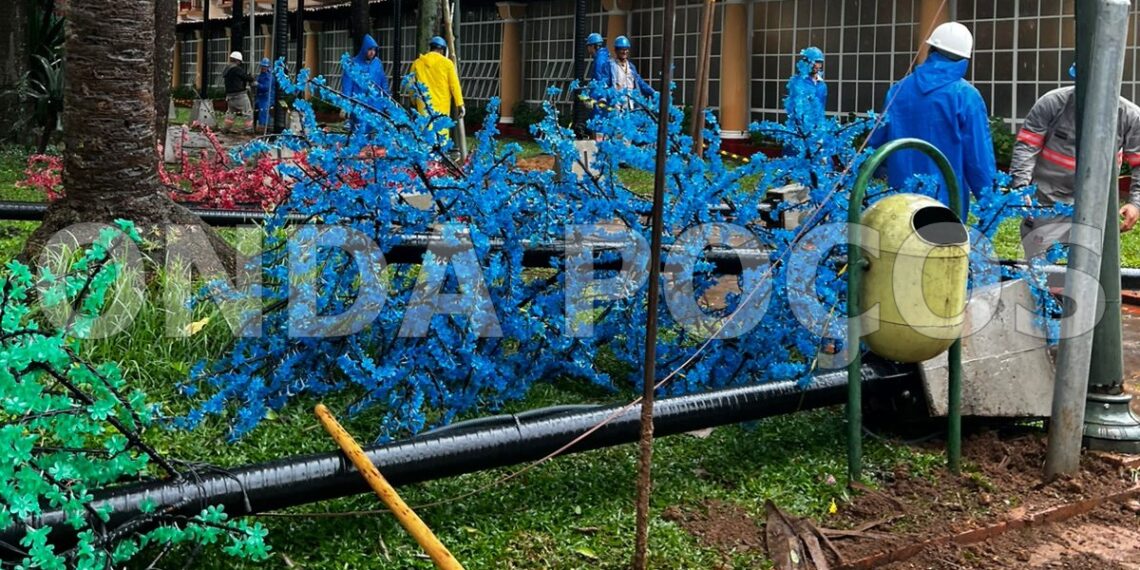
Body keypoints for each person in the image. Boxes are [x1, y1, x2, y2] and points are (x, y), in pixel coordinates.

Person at [1011, 62, 1140, 260]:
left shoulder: (1129, 116)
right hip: (1047, 201)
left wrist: (1135, 204)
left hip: (1095, 206)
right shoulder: (1052, 103)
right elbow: (1027, 146)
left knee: (1091, 270)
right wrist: (1020, 187)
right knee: (1039, 269)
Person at [867, 22, 996, 210]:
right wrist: (989, 200)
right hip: (946, 202)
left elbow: (876, 146)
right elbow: (978, 157)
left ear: (931, 49)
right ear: (964, 58)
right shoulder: (966, 96)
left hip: (900, 200)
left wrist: (881, 173)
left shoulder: (898, 90)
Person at [409, 36, 465, 139]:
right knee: (441, 132)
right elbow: (454, 85)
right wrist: (460, 104)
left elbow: (410, 84)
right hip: (442, 104)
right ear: (442, 50)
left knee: (425, 131)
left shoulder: (417, 63)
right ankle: (440, 153)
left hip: (423, 103)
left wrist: (413, 100)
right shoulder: (447, 64)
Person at [608, 36, 655, 109]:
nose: (624, 52)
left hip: (631, 105)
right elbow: (604, 83)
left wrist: (653, 92)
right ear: (616, 50)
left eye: (626, 49)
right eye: (622, 49)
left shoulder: (631, 67)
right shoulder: (611, 66)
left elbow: (640, 82)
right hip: (616, 105)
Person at [342, 33, 390, 104]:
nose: (372, 52)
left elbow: (383, 82)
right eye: (370, 49)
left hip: (376, 105)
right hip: (359, 105)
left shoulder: (377, 63)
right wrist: (345, 104)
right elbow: (347, 86)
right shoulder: (353, 64)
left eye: (374, 50)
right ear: (364, 49)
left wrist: (387, 101)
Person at [785, 46, 827, 119]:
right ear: (805, 63)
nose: (814, 65)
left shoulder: (822, 85)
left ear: (821, 64)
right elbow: (793, 108)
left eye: (817, 62)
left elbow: (822, 108)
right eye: (811, 61)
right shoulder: (797, 82)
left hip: (818, 126)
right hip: (801, 127)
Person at [221, 51, 256, 134]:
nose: (240, 63)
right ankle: (248, 129)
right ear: (237, 60)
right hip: (239, 95)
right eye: (239, 61)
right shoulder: (236, 69)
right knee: (248, 111)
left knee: (231, 113)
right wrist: (252, 78)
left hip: (229, 96)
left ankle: (226, 128)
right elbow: (245, 77)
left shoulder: (227, 69)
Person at [255, 58, 274, 128]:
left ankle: (264, 126)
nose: (263, 68)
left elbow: (266, 87)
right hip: (259, 97)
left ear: (268, 67)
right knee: (257, 112)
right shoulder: (261, 74)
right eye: (262, 66)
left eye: (265, 66)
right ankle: (259, 125)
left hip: (266, 97)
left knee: (263, 112)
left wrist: (257, 84)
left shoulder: (269, 76)